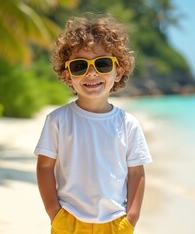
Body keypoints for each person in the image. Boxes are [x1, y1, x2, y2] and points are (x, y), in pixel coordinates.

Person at [34, 14, 152, 234]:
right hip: (69, 219)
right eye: (80, 66)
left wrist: (132, 218)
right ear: (68, 75)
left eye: (103, 63)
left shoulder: (128, 124)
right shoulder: (58, 120)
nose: (91, 73)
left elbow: (136, 173)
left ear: (118, 72)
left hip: (116, 222)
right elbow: (45, 166)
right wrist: (54, 213)